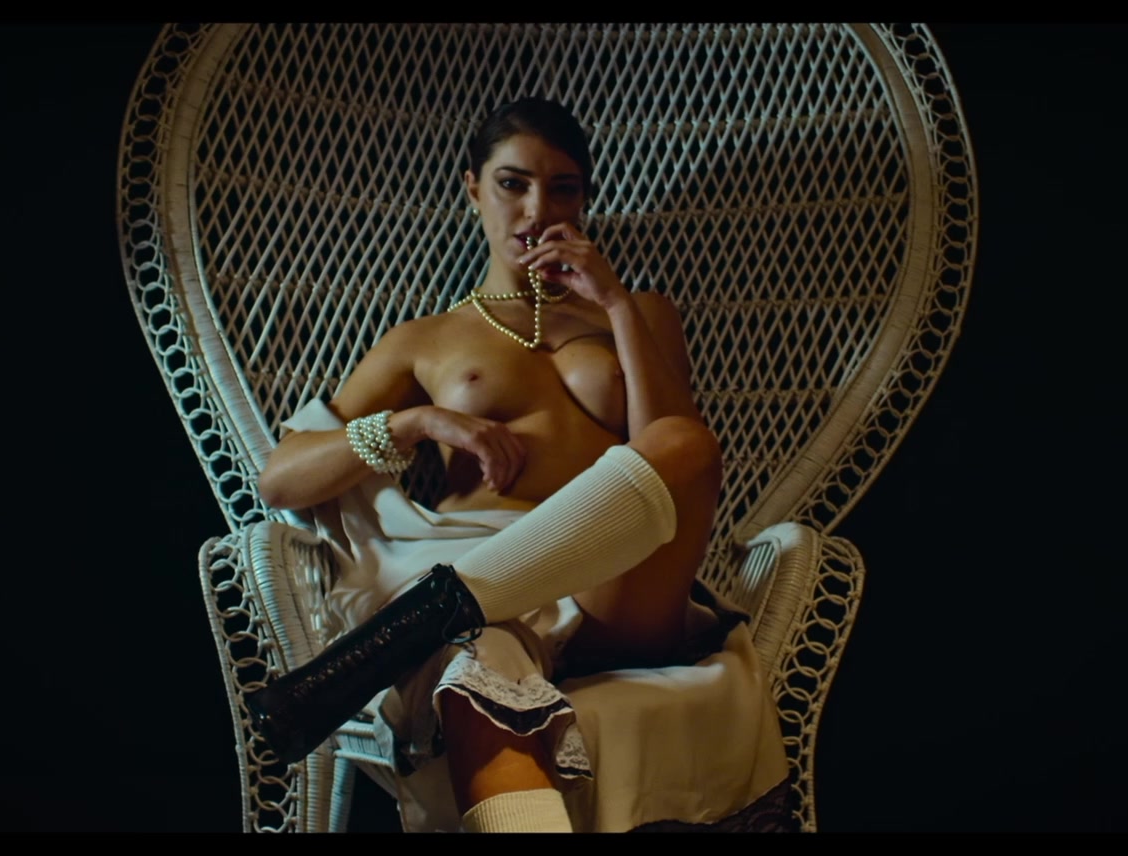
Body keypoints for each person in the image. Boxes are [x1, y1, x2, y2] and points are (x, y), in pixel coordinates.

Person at [243, 97, 790, 833]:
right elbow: (281, 478)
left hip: (617, 585)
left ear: (584, 199)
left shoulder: (641, 312)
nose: (537, 209)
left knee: (687, 444)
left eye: (563, 189)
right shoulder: (425, 339)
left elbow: (673, 450)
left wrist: (614, 304)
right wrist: (415, 422)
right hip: (493, 584)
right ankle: (453, 618)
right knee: (477, 673)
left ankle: (424, 619)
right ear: (473, 188)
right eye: (512, 184)